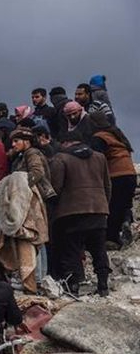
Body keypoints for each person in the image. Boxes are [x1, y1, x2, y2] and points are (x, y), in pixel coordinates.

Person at [50, 133, 112, 296]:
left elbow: (56, 187)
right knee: (99, 249)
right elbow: (107, 185)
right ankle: (103, 285)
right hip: (98, 210)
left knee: (71, 249)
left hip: (71, 212)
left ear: (66, 143)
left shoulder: (60, 158)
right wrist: (104, 205)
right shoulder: (100, 157)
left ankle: (73, 285)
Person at [90, 111, 136, 249]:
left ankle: (111, 239)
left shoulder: (98, 137)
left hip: (116, 175)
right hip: (130, 174)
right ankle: (126, 221)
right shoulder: (116, 135)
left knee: (113, 207)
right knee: (124, 205)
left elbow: (97, 159)